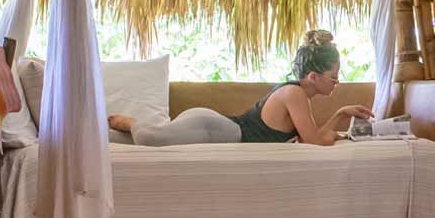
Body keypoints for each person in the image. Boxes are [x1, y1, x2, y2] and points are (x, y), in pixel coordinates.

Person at [108, 29, 373, 147]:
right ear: (314, 76)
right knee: (150, 139)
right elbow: (315, 142)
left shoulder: (298, 94)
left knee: (150, 140)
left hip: (216, 128)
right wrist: (338, 134)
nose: (336, 83)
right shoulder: (295, 94)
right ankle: (129, 121)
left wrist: (341, 114)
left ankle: (106, 136)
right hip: (213, 129)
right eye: (333, 78)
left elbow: (310, 137)